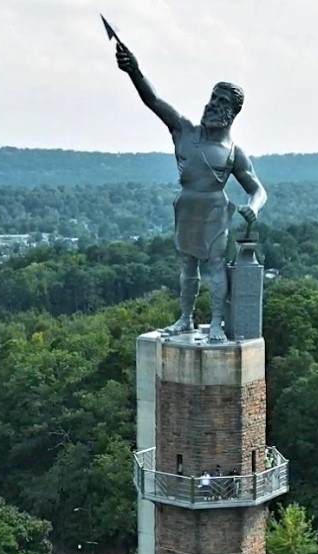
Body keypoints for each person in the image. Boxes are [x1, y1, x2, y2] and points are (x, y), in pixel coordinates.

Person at [115, 42, 268, 343]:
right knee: (187, 265)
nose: (214, 104)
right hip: (187, 209)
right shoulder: (185, 131)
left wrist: (254, 206)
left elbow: (257, 188)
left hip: (213, 213)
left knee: (214, 266)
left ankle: (215, 322)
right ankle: (185, 318)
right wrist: (134, 71)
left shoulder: (234, 152)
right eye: (213, 97)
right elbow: (154, 100)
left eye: (222, 101)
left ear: (233, 112)